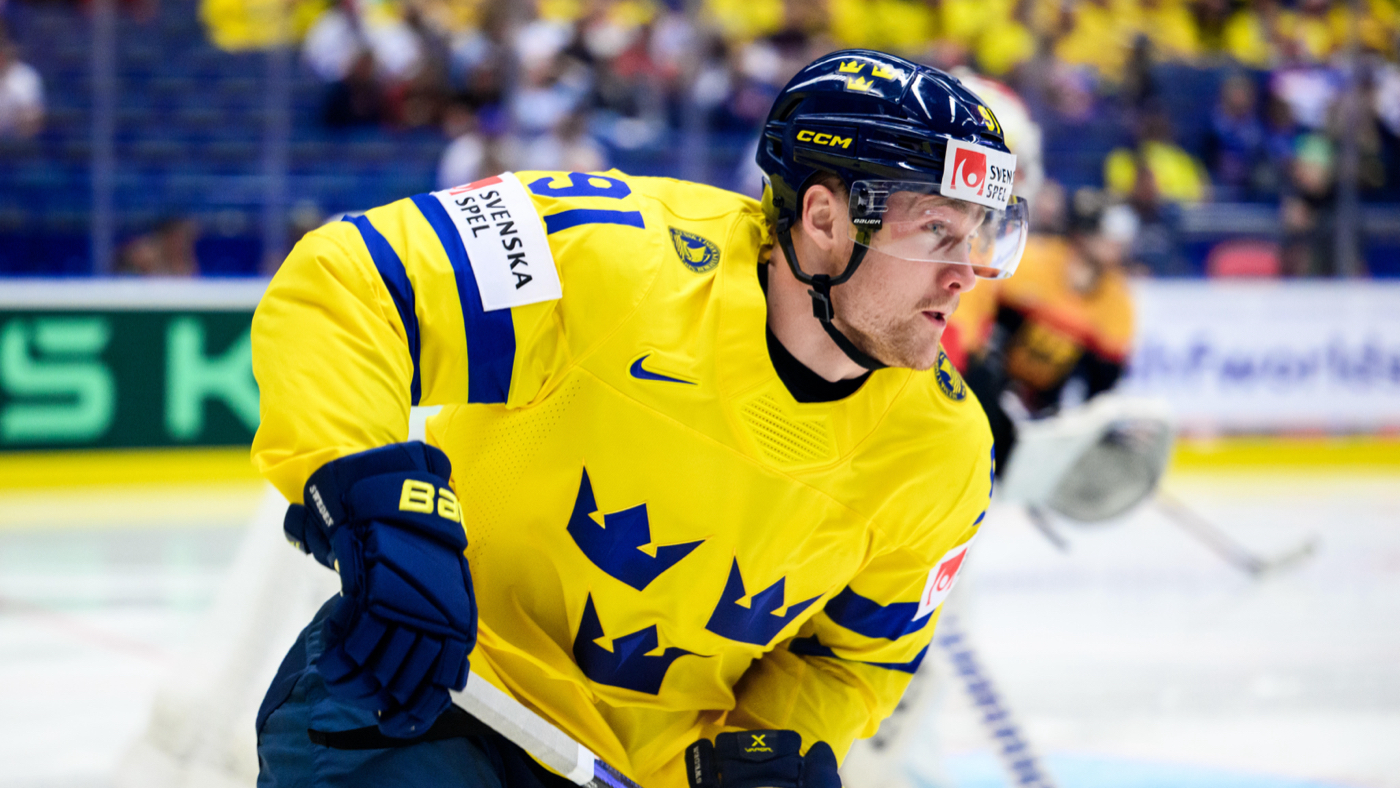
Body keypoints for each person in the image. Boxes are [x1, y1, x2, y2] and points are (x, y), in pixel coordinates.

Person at [250, 49, 1028, 788]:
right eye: (936, 230)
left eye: (979, 235)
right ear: (825, 219)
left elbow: (852, 661)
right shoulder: (617, 254)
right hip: (425, 691)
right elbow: (351, 283)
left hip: (636, 769)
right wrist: (371, 493)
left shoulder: (944, 453)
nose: (966, 275)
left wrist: (766, 748)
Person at [947, 188, 1134, 468]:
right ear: (1084, 232)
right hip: (994, 383)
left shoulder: (1119, 301)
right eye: (1109, 235)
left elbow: (1102, 384)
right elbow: (978, 322)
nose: (1118, 244)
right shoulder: (1030, 261)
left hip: (1048, 407)